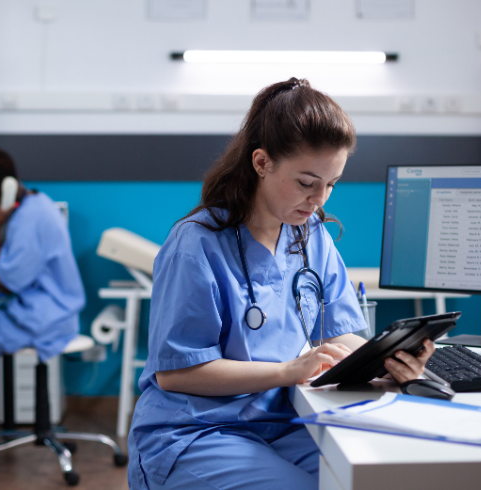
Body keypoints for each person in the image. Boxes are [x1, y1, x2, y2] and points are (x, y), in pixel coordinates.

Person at [128, 78, 435, 490]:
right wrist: (288, 370)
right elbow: (176, 375)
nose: (319, 200)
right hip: (196, 432)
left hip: (282, 422)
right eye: (307, 183)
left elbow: (339, 333)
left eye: (331, 184)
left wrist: (390, 360)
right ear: (261, 162)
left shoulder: (312, 237)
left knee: (377, 476)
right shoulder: (196, 244)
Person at [0, 136, 86, 382]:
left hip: (49, 316)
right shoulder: (35, 205)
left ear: (7, 187)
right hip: (46, 310)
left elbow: (9, 283)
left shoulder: (30, 219)